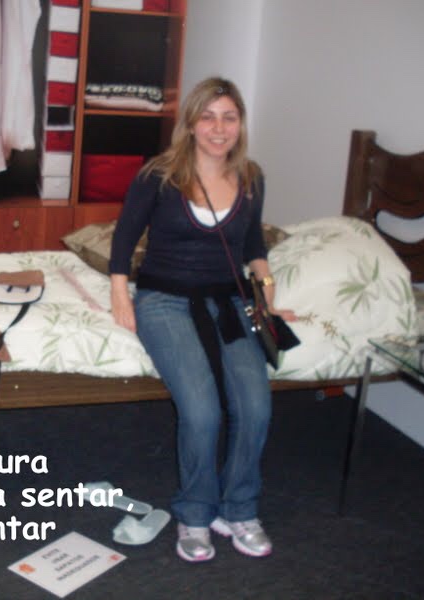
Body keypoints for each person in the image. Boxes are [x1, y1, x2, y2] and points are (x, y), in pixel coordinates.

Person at [108, 77, 296, 563]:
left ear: (240, 125)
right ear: (191, 124)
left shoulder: (251, 178)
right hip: (164, 299)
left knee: (256, 407)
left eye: (229, 117)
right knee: (202, 411)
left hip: (230, 302)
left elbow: (253, 244)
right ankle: (194, 514)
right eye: (208, 117)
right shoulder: (159, 175)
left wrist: (267, 296)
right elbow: (124, 238)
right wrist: (120, 296)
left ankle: (240, 509)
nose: (218, 128)